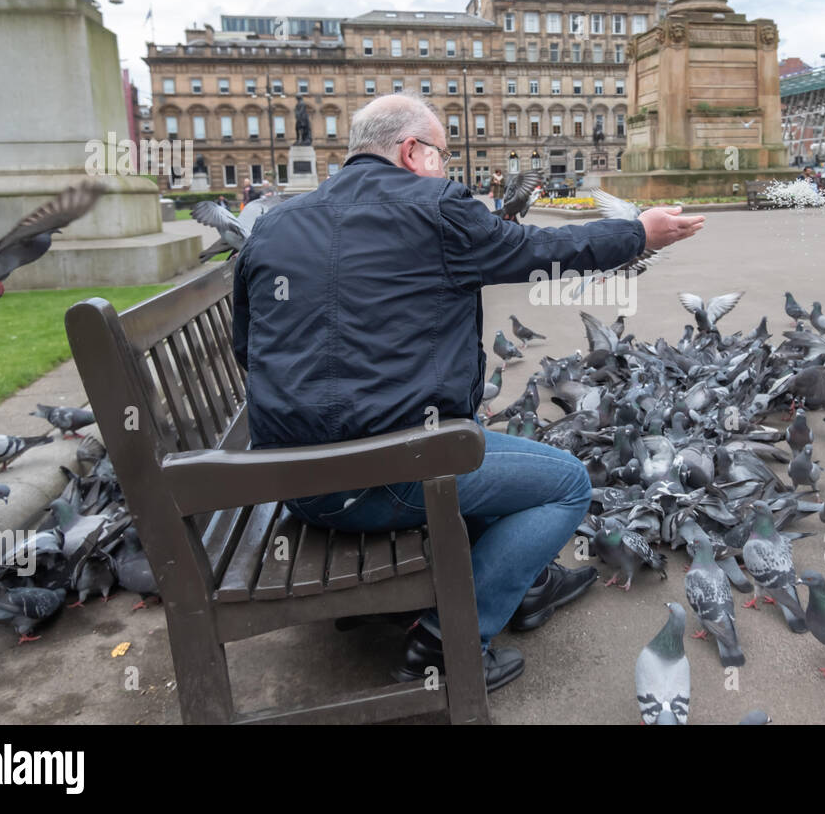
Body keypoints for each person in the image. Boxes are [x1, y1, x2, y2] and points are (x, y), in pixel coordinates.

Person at [231, 93, 703, 691]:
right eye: (442, 155)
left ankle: (526, 587)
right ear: (410, 151)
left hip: (289, 481)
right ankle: (443, 644)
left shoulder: (274, 222)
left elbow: (247, 350)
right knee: (567, 485)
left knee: (468, 436)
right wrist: (638, 233)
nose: (448, 170)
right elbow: (541, 251)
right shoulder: (435, 206)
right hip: (375, 481)